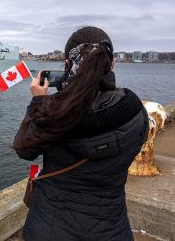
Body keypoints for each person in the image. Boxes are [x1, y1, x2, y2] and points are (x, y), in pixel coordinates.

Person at [13, 26, 149, 241]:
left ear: (68, 64)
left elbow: (24, 148)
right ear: (111, 63)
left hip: (50, 228)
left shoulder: (53, 114)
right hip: (112, 229)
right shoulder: (134, 110)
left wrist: (38, 101)